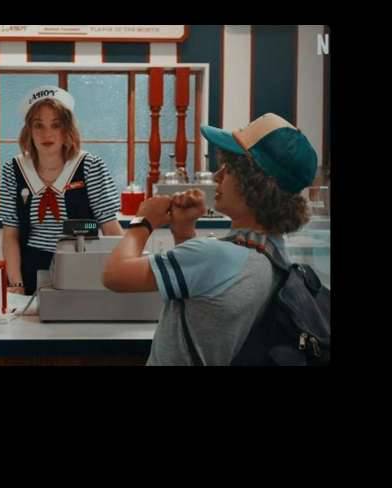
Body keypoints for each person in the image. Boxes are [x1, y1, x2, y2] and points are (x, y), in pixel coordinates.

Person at [103, 113, 317, 366]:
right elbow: (206, 295)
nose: (217, 175)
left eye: (229, 170)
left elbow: (114, 275)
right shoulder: (272, 253)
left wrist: (144, 221)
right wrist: (184, 230)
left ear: (254, 186)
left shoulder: (217, 256)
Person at [0, 85, 123, 295]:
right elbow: (10, 234)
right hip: (30, 272)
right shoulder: (13, 170)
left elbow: (111, 229)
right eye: (39, 125)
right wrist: (17, 284)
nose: (47, 134)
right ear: (29, 131)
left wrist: (127, 275)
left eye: (55, 125)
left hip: (83, 268)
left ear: (67, 130)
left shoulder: (90, 167)